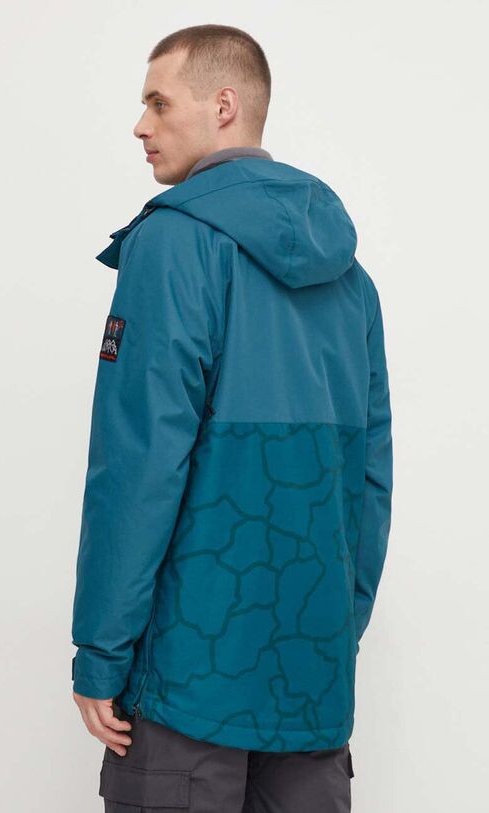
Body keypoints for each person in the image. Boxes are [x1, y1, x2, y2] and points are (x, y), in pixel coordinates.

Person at [71, 23, 393, 813]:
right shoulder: (352, 279)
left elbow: (139, 464)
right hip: (312, 682)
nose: (140, 125)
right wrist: (332, 632)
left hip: (188, 681)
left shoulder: (170, 245)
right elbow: (370, 480)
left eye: (157, 102)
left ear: (222, 106)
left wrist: (101, 651)